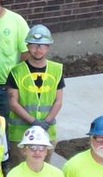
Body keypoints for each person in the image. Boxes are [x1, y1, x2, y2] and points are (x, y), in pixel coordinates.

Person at [6, 24, 65, 164]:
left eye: (42, 45)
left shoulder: (57, 70)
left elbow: (58, 101)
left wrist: (46, 122)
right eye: (33, 45)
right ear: (27, 46)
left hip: (46, 131)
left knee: (43, 170)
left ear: (48, 47)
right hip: (20, 133)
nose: (38, 49)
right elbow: (13, 103)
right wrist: (34, 122)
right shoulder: (16, 71)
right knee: (20, 170)